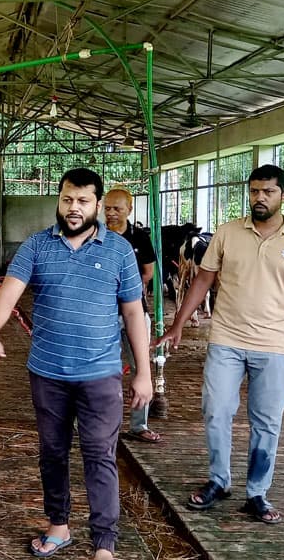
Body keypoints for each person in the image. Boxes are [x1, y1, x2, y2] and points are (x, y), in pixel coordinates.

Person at [0, 168, 151, 560]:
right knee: (52, 451)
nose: (74, 208)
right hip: (48, 374)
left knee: (100, 454)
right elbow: (8, 295)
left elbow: (135, 314)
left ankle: (104, 543)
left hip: (100, 374)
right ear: (59, 200)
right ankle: (59, 525)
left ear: (98, 205)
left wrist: (144, 372)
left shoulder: (119, 251)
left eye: (83, 201)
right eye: (68, 199)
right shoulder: (37, 246)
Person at [155, 164, 284, 525]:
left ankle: (257, 492)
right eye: (254, 191)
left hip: (273, 345)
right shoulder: (227, 233)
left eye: (268, 192)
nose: (259, 197)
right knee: (216, 410)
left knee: (267, 421)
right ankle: (219, 481)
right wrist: (177, 324)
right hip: (225, 339)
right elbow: (203, 280)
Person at [103, 188, 162, 444]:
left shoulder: (139, 238)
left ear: (129, 209)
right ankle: (88, 421)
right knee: (100, 369)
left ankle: (139, 425)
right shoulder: (93, 236)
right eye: (107, 208)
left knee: (141, 367)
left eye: (117, 208)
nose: (112, 213)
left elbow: (148, 272)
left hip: (135, 313)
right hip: (102, 314)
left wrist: (129, 293)